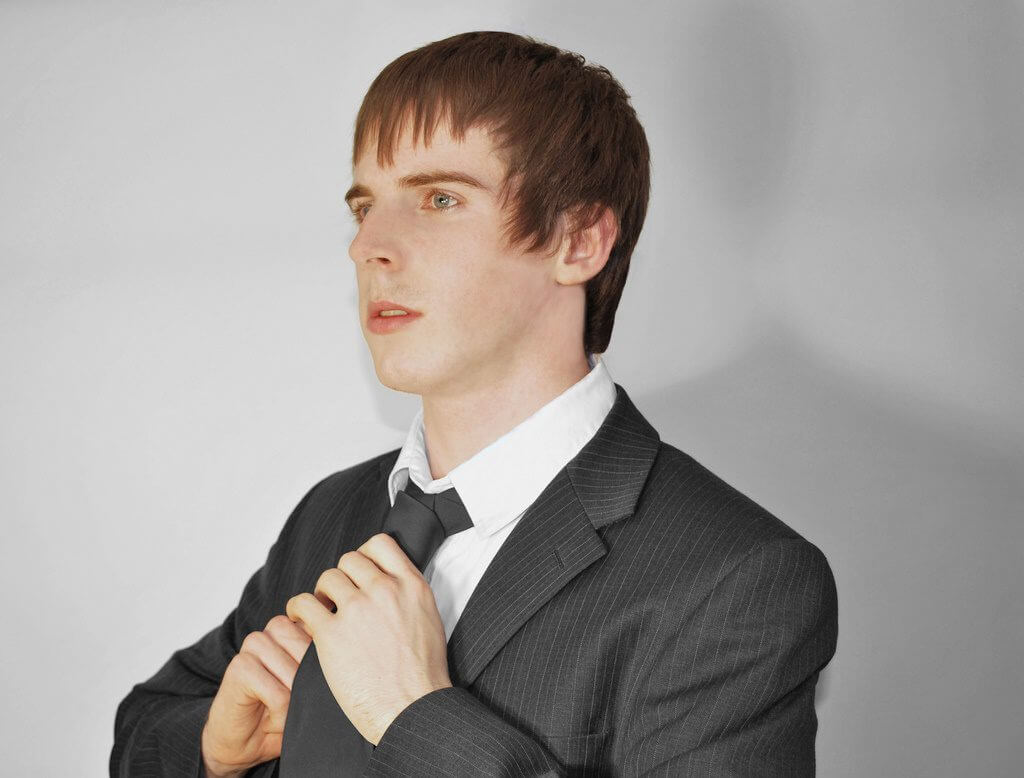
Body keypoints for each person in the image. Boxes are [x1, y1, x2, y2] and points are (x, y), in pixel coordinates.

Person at [110, 30, 838, 777]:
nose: (368, 246)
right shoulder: (332, 513)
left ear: (579, 241)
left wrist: (415, 717)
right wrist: (214, 750)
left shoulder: (737, 579)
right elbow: (144, 730)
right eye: (364, 207)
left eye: (439, 199)